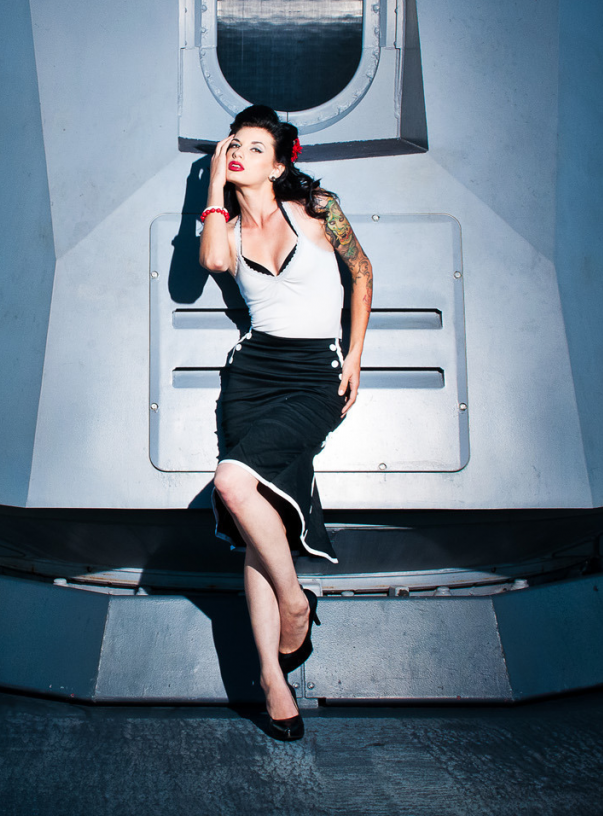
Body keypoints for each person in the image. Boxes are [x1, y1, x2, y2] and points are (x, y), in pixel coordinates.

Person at [198, 104, 373, 741]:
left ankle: (296, 602)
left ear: (280, 161)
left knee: (232, 483)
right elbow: (215, 265)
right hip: (250, 377)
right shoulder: (219, 222)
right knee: (254, 529)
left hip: (312, 376)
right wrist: (216, 187)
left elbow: (362, 271)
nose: (240, 152)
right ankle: (274, 679)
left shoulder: (319, 208)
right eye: (232, 144)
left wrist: (353, 355)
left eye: (253, 147)